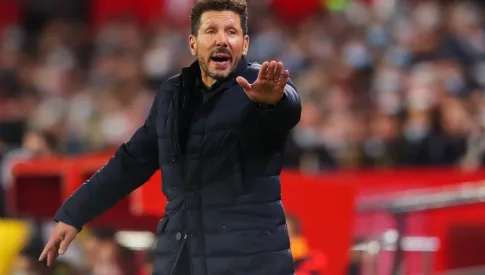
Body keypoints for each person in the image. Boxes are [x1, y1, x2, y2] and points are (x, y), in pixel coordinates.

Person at [39, 0, 302, 274]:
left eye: (231, 32)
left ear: (245, 44)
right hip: (180, 257)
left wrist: (274, 101)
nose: (222, 40)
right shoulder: (171, 94)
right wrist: (73, 214)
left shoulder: (261, 85)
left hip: (250, 261)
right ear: (193, 43)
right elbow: (131, 161)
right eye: (211, 31)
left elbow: (288, 110)